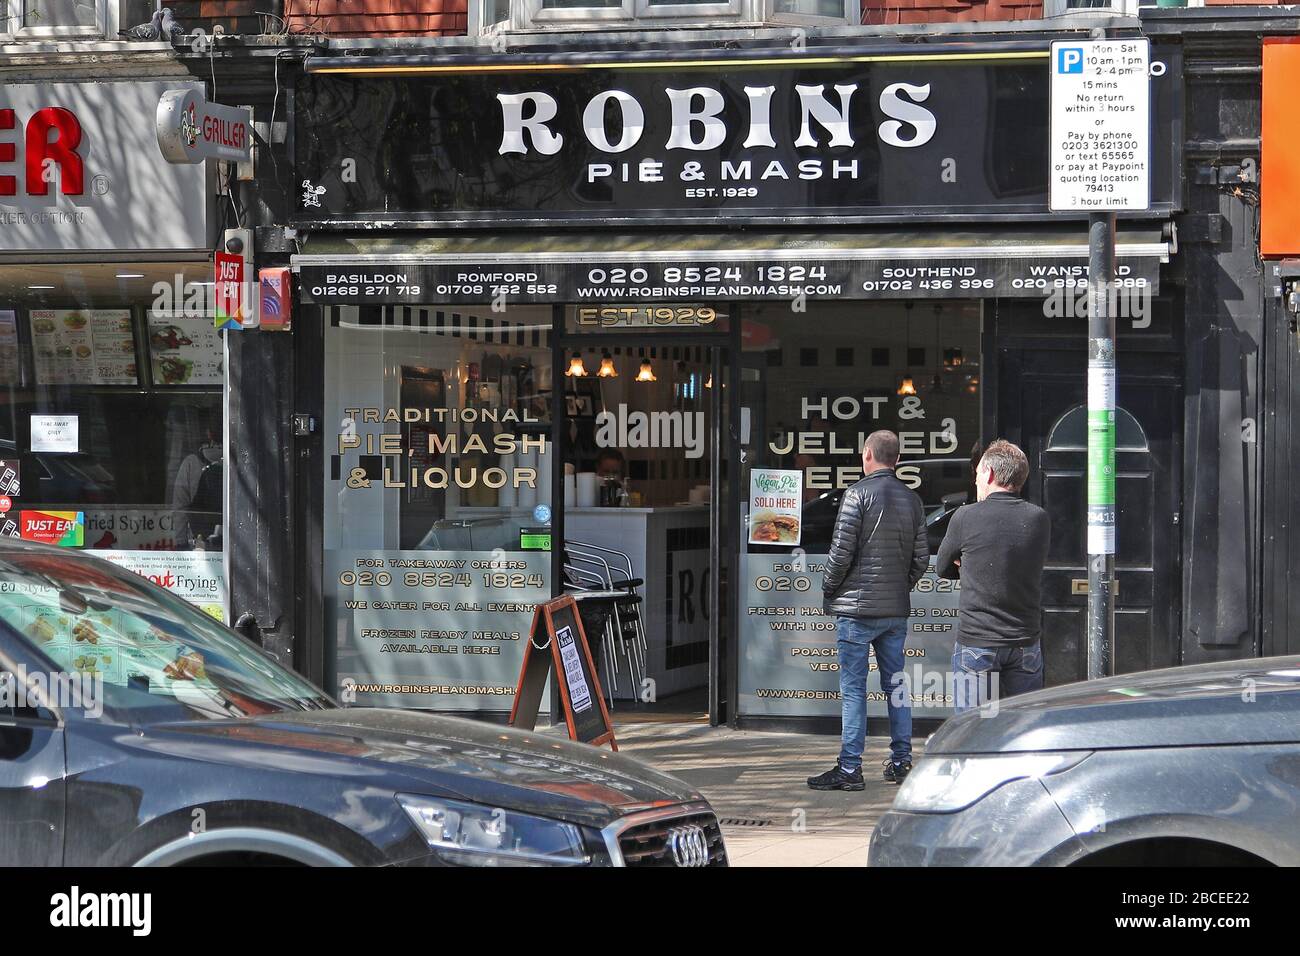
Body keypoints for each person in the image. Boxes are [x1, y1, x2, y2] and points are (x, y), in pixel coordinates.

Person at [807, 430, 929, 792]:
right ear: (897, 459)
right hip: (894, 610)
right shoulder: (913, 500)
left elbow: (840, 554)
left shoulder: (856, 494)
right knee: (896, 684)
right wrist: (899, 587)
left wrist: (829, 587)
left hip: (855, 610)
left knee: (854, 689)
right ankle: (902, 760)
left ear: (868, 455)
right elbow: (921, 559)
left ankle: (849, 768)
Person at [936, 439, 1051, 714]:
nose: (977, 483)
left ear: (988, 474)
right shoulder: (1039, 518)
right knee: (1024, 728)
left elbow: (942, 568)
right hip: (1025, 641)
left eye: (977, 477)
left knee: (973, 730)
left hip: (978, 639)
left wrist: (966, 564)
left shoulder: (965, 517)